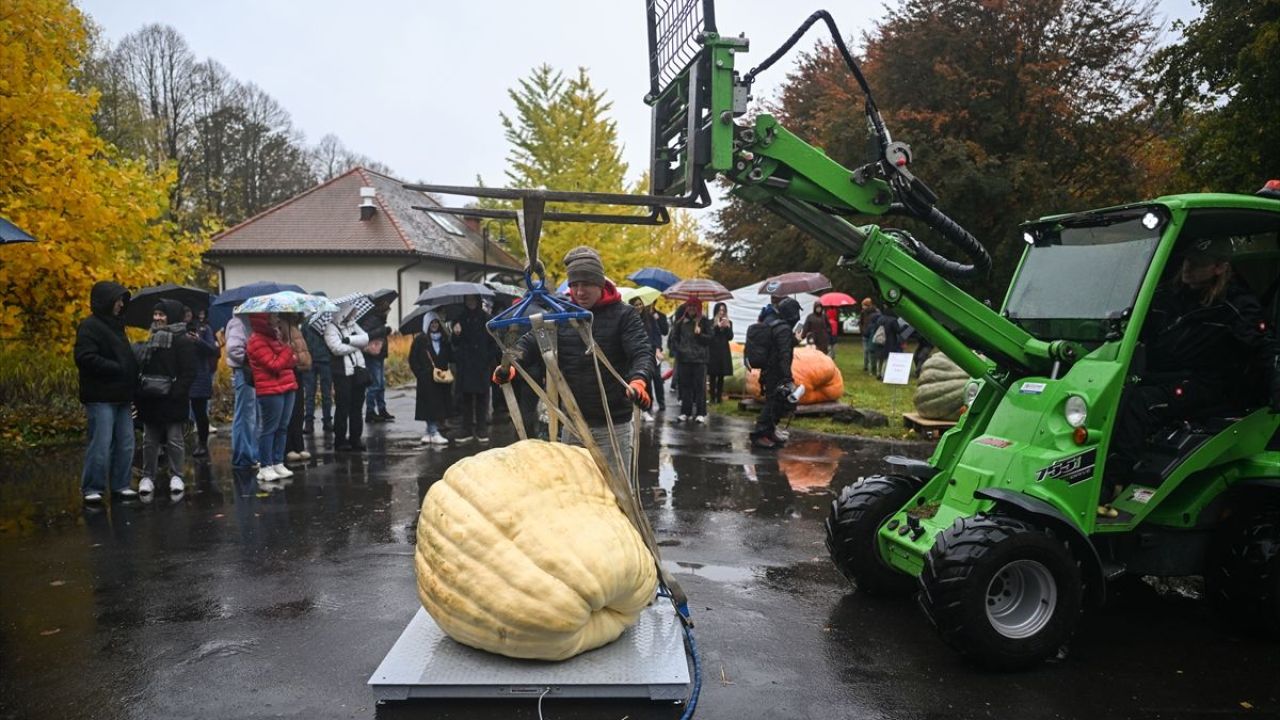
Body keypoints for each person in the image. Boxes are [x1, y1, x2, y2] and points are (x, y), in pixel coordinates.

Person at [1107, 237, 1268, 512]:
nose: (1188, 268)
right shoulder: (1165, 296)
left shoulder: (1236, 304)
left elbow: (1263, 346)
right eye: (1186, 260)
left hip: (1206, 384)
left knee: (1140, 403)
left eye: (1197, 263)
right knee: (1112, 392)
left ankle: (1111, 485)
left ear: (1219, 268)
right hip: (1166, 376)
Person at [493, 245, 654, 480]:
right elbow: (531, 342)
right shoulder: (562, 314)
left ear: (600, 284)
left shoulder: (624, 315)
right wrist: (510, 365)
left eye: (586, 284)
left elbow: (641, 351)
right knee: (576, 492)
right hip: (573, 422)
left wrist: (639, 380)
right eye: (574, 285)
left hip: (612, 425)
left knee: (618, 494)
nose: (580, 291)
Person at [74, 281, 139, 503]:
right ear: (107, 301)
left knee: (126, 442)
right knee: (100, 443)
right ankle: (92, 487)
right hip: (100, 396)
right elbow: (84, 358)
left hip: (122, 395)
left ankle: (121, 484)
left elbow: (125, 357)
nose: (121, 304)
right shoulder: (89, 326)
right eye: (118, 300)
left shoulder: (117, 326)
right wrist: (117, 368)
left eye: (123, 300)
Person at [134, 299, 197, 495]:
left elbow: (189, 371)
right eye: (156, 315)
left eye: (162, 314)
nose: (158, 318)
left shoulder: (183, 341)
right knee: (149, 440)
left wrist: (177, 392)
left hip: (173, 398)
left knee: (174, 439)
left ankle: (177, 475)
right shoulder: (150, 339)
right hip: (150, 397)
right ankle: (147, 476)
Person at [247, 313, 298, 482]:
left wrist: (287, 354)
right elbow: (274, 365)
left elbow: (289, 362)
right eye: (274, 316)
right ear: (264, 319)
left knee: (283, 427)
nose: (277, 319)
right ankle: (265, 465)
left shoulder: (276, 337)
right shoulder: (256, 341)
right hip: (270, 390)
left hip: (287, 386)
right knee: (269, 429)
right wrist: (287, 351)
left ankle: (278, 462)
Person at [748, 297, 801, 449]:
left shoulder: (777, 326)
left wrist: (794, 340)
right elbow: (783, 355)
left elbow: (778, 347)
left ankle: (769, 431)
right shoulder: (783, 329)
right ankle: (759, 434)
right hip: (775, 372)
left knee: (776, 402)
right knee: (773, 403)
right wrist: (787, 378)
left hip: (771, 371)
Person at [451, 295, 499, 443]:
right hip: (465, 364)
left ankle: (481, 429)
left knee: (481, 398)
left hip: (481, 364)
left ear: (478, 301)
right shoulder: (460, 318)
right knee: (465, 398)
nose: (470, 303)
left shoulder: (487, 318)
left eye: (473, 300)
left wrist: (487, 358)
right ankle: (466, 429)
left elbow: (493, 342)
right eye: (468, 300)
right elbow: (454, 342)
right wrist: (456, 333)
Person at [325, 304, 370, 451]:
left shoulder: (352, 325)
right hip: (342, 373)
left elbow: (366, 338)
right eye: (351, 312)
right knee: (343, 407)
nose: (353, 315)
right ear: (344, 313)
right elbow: (337, 349)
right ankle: (340, 440)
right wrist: (357, 344)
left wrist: (349, 341)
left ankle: (355, 438)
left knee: (357, 407)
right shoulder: (331, 328)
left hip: (358, 371)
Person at [409, 311, 453, 446]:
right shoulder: (420, 340)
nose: (434, 325)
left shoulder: (444, 339)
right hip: (426, 379)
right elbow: (412, 359)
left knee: (438, 404)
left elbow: (450, 355)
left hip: (440, 378)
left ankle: (429, 432)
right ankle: (433, 432)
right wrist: (421, 374)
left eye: (436, 322)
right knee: (429, 405)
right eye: (431, 323)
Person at [224, 314, 259, 469]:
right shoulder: (239, 323)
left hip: (250, 372)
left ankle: (250, 454)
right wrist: (252, 360)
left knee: (250, 415)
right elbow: (233, 349)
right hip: (245, 372)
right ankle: (243, 457)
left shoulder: (249, 322)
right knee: (245, 415)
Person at [669, 299, 712, 422]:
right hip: (684, 359)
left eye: (695, 306)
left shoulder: (704, 322)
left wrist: (699, 334)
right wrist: (679, 350)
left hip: (700, 360)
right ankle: (685, 412)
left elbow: (709, 339)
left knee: (700, 387)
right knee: (685, 387)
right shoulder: (681, 322)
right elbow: (674, 339)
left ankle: (701, 413)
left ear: (698, 308)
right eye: (690, 306)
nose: (692, 308)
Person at [187, 307, 219, 458]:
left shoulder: (204, 329)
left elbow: (212, 349)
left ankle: (202, 443)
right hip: (183, 374)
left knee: (200, 411)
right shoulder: (179, 329)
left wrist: (198, 341)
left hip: (199, 375)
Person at [361, 292, 395, 423]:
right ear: (383, 309)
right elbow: (366, 335)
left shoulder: (379, 320)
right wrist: (383, 331)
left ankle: (382, 409)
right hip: (372, 356)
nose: (388, 313)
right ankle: (370, 412)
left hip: (379, 355)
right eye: (388, 310)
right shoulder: (372, 319)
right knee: (375, 384)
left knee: (381, 384)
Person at [283, 314, 312, 462]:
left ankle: (299, 445)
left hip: (299, 369)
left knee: (299, 408)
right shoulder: (282, 326)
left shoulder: (295, 326)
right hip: (289, 369)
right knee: (290, 410)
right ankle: (288, 447)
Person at [635, 299, 670, 414]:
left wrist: (658, 349)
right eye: (636, 305)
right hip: (640, 354)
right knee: (646, 380)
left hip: (653, 352)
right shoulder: (631, 319)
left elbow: (658, 334)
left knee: (657, 378)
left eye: (640, 304)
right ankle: (648, 404)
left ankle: (661, 402)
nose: (639, 307)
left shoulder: (650, 318)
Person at [303, 313, 333, 433]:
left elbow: (303, 340)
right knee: (326, 393)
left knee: (310, 394)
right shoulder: (328, 321)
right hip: (326, 361)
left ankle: (309, 423)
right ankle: (327, 421)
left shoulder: (306, 322)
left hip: (311, 361)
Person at [707, 302, 734, 405]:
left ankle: (719, 397)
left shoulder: (729, 322)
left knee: (721, 376)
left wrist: (727, 327)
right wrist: (717, 326)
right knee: (713, 375)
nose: (722, 312)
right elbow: (710, 336)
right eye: (720, 310)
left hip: (723, 351)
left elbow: (730, 337)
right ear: (716, 311)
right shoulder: (711, 322)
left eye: (723, 310)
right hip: (713, 350)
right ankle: (712, 397)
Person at [859, 297, 880, 373]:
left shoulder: (876, 312)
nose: (862, 307)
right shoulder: (863, 312)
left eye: (863, 305)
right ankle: (866, 366)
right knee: (866, 351)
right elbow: (861, 322)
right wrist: (862, 330)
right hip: (865, 334)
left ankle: (872, 367)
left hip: (872, 333)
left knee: (871, 351)